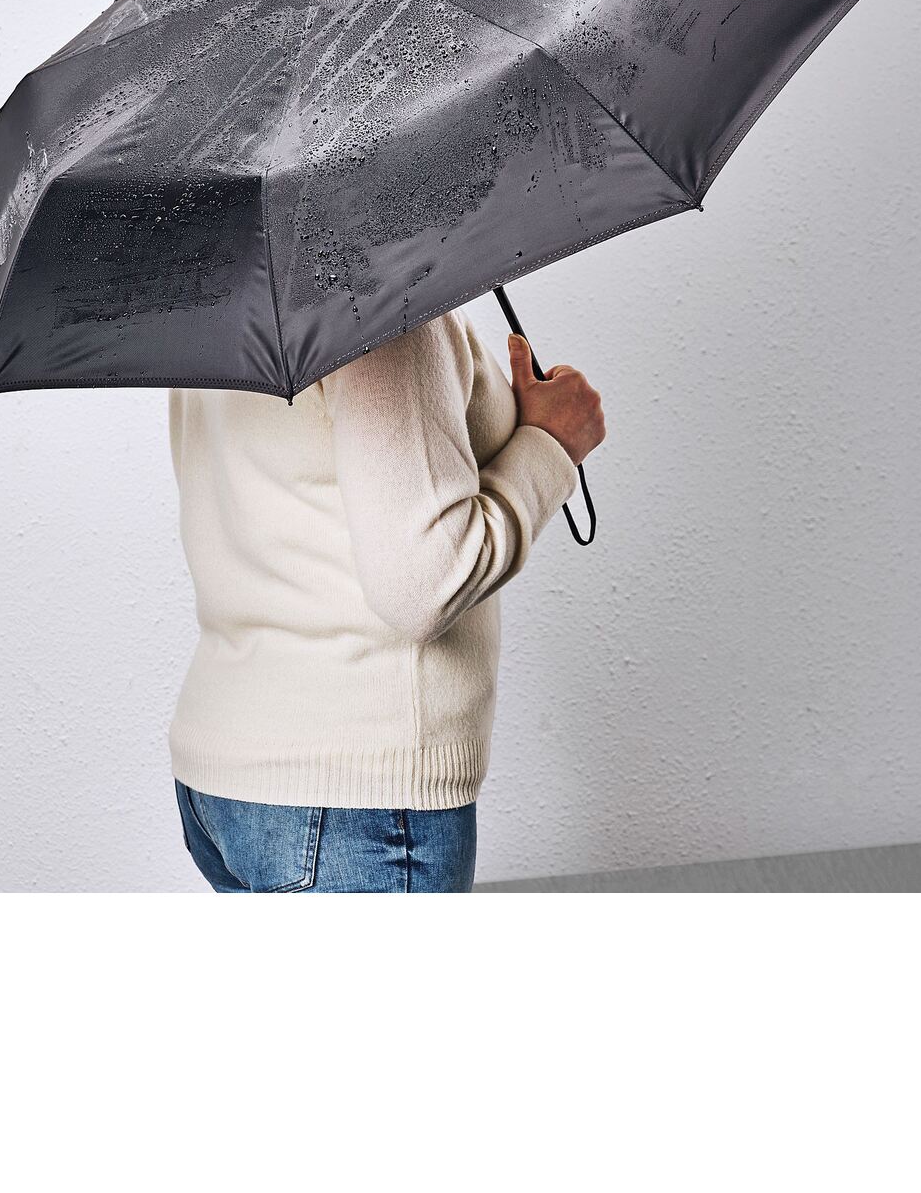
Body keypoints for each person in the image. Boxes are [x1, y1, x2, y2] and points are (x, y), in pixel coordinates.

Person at [167, 308, 605, 893]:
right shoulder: (380, 301)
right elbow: (425, 583)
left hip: (227, 778)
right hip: (354, 796)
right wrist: (550, 447)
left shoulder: (221, 296)